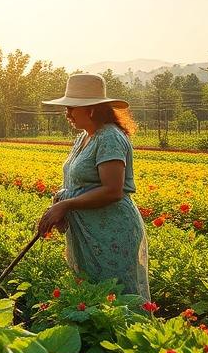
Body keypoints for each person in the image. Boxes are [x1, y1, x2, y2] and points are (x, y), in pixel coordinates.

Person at [36, 73, 149, 299]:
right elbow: (78, 182)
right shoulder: (85, 137)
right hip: (91, 231)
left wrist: (66, 205)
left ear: (91, 109)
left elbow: (113, 190)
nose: (67, 113)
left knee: (117, 300)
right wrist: (61, 206)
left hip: (111, 233)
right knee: (92, 298)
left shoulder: (109, 137)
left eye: (72, 108)